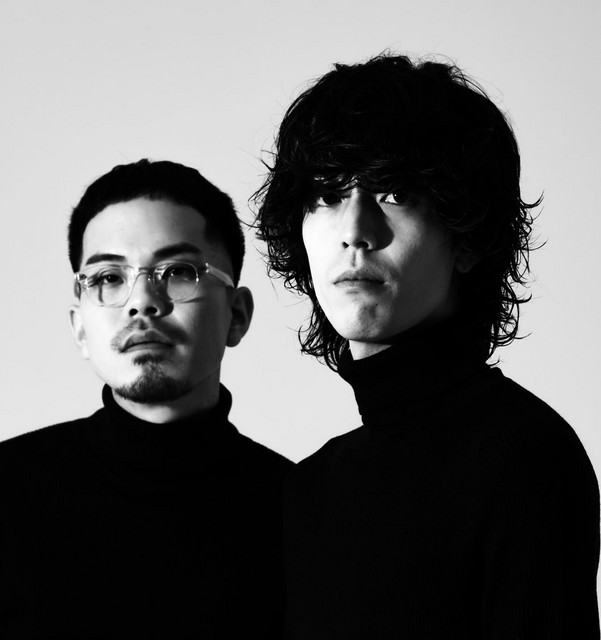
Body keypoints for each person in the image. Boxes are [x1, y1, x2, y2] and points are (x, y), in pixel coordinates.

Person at [255, 54, 600, 638]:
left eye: (394, 193)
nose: (354, 231)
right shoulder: (311, 488)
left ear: (468, 237)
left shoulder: (521, 457)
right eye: (327, 195)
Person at [0, 159, 292, 639]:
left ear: (237, 315)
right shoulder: (4, 493)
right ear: (80, 327)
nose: (142, 301)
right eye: (108, 278)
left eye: (177, 271)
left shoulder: (303, 513)